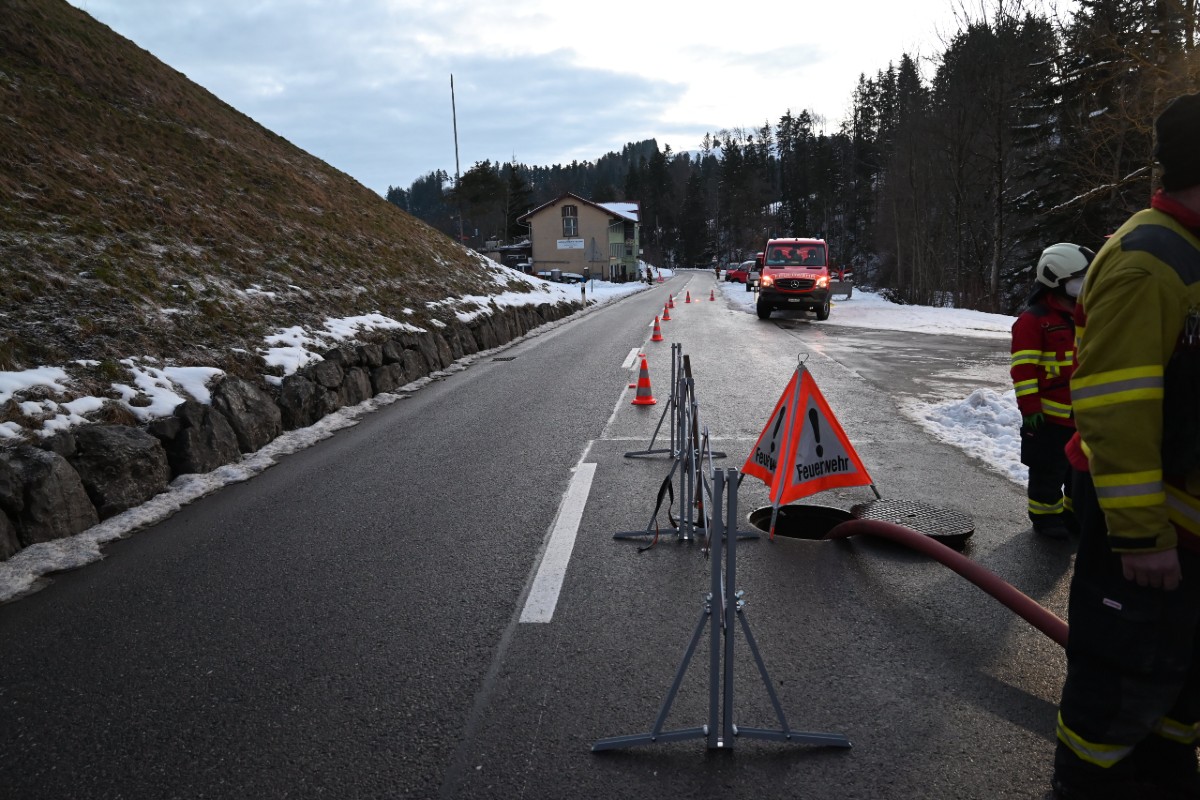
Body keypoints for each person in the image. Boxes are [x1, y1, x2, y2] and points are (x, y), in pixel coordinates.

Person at [1051, 92, 1200, 800]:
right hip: (1148, 539)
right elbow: (1115, 409)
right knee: (1115, 696)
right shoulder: (1151, 262)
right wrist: (1143, 537)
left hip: (1184, 536)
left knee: (1178, 691)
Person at [1010, 243, 1094, 539]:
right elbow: (1023, 370)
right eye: (1080, 279)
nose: (1087, 285)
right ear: (1056, 279)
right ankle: (1046, 518)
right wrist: (1031, 409)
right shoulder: (1034, 321)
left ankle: (1072, 514)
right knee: (1048, 470)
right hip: (1048, 419)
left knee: (1077, 472)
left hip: (1081, 416)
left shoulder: (1085, 316)